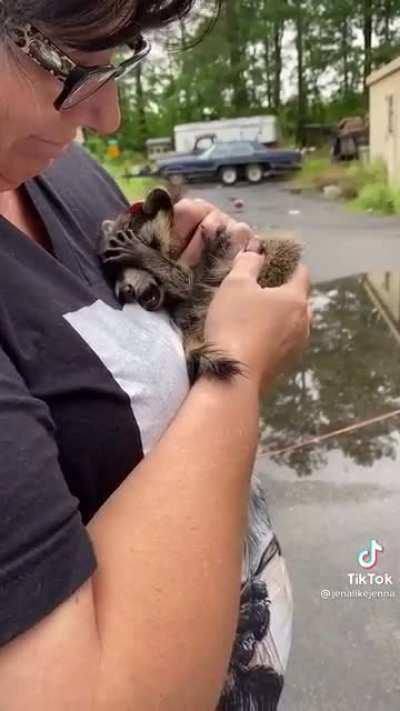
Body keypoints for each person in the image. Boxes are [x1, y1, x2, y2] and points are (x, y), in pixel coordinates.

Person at [0, 1, 312, 709]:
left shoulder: (62, 172)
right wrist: (239, 367)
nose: (107, 115)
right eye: (72, 67)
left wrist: (195, 281)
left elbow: (114, 359)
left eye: (118, 59)